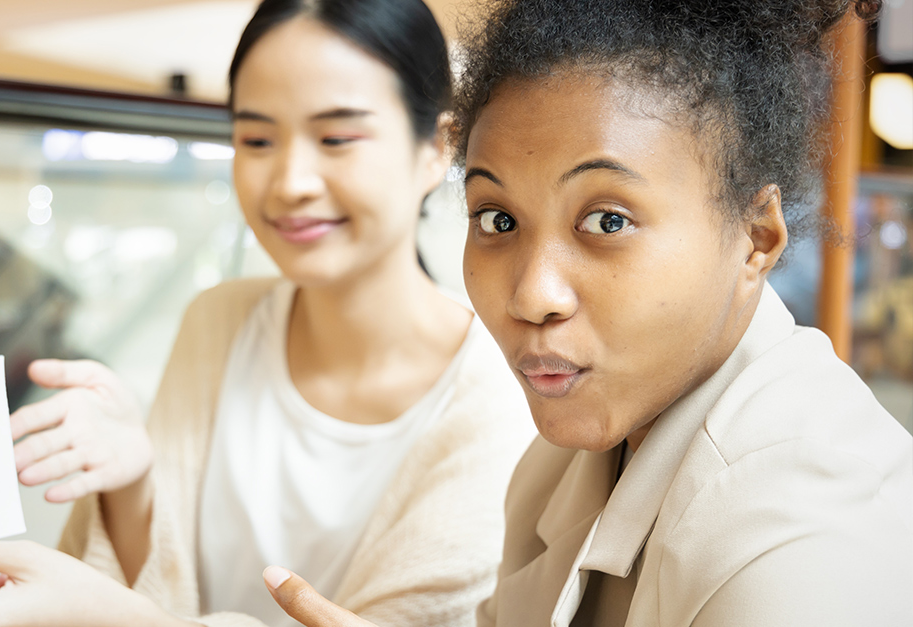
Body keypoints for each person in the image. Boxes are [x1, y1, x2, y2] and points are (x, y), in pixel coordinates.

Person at [259, 0, 913, 625]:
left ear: (756, 237)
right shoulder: (558, 465)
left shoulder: (804, 532)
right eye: (498, 218)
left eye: (607, 220)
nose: (531, 295)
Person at [0, 0, 537, 625]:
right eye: (257, 138)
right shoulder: (220, 321)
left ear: (438, 146)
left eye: (337, 137)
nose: (290, 181)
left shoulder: (501, 399)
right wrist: (133, 482)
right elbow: (154, 582)